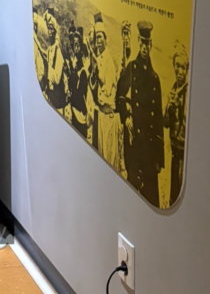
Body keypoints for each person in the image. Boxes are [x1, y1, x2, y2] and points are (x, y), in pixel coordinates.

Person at [116, 21, 164, 206]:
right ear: (138, 41)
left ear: (151, 45)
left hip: (150, 151)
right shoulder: (131, 69)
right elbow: (119, 97)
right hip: (134, 144)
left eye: (147, 43)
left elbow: (158, 120)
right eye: (142, 43)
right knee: (132, 198)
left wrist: (159, 158)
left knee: (150, 199)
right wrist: (126, 116)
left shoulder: (155, 78)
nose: (144, 47)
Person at [89, 13, 122, 171]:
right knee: (100, 156)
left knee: (109, 159)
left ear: (105, 39)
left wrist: (97, 69)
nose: (98, 41)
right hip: (100, 115)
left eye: (100, 37)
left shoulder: (108, 60)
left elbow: (108, 89)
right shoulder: (99, 58)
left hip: (108, 117)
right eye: (96, 38)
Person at [164, 43, 189, 206]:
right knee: (174, 190)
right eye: (177, 66)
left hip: (185, 152)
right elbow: (165, 123)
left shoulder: (189, 93)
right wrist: (170, 107)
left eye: (183, 68)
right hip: (174, 149)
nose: (179, 71)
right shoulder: (172, 91)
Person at [66, 26, 89, 138]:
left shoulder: (82, 67)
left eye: (78, 45)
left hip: (80, 110)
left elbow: (81, 91)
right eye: (74, 45)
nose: (76, 48)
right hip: (74, 107)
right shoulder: (73, 63)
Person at [44, 9, 66, 112]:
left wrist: (48, 68)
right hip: (51, 98)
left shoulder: (57, 50)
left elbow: (57, 79)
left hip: (58, 101)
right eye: (48, 28)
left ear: (54, 31)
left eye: (51, 28)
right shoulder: (49, 49)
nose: (49, 31)